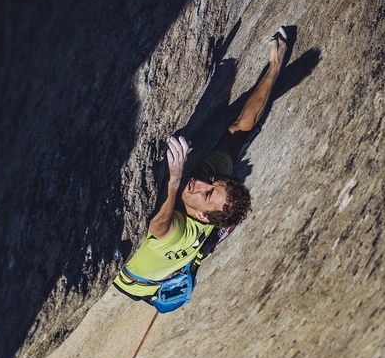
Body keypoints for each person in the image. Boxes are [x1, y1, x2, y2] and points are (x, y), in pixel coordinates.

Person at [114, 27, 288, 307]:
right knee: (237, 155)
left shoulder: (182, 230)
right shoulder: (208, 182)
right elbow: (242, 126)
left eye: (206, 194)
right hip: (191, 243)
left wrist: (174, 179)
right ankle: (217, 232)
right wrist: (274, 68)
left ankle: (213, 236)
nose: (200, 183)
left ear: (202, 217)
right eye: (212, 182)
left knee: (196, 240)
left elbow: (159, 225)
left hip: (137, 285)